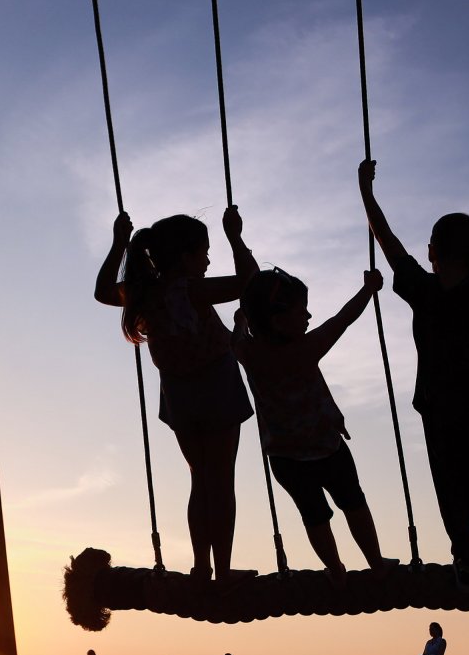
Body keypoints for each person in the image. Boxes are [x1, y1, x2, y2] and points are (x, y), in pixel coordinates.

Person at [357, 145, 469, 590]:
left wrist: (367, 194)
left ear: (431, 251)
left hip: (439, 410)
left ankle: (465, 558)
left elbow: (388, 241)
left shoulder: (421, 288)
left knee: (451, 486)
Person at [94, 206, 258, 585]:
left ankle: (202, 567)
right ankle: (224, 571)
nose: (207, 260)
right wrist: (236, 237)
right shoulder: (193, 289)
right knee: (221, 483)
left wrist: (119, 244)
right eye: (203, 252)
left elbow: (103, 291)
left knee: (201, 480)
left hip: (180, 396)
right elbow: (253, 284)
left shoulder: (144, 293)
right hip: (217, 388)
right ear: (185, 258)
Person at [234, 268, 398, 588]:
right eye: (301, 311)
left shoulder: (249, 353)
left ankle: (335, 570)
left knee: (315, 517)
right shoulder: (307, 348)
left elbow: (235, 339)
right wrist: (368, 290)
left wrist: (241, 321)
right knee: (353, 502)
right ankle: (377, 564)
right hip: (327, 449)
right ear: (279, 321)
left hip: (284, 458)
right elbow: (343, 319)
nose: (309, 315)